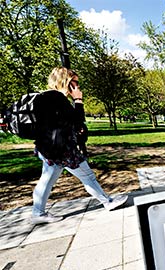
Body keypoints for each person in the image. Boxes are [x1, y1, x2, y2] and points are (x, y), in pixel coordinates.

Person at [31, 67, 128, 225]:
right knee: (87, 176)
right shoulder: (58, 98)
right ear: (66, 82)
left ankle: (37, 213)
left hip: (47, 147)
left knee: (46, 180)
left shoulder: (43, 97)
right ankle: (108, 202)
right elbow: (77, 120)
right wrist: (78, 100)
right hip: (63, 149)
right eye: (75, 82)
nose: (78, 86)